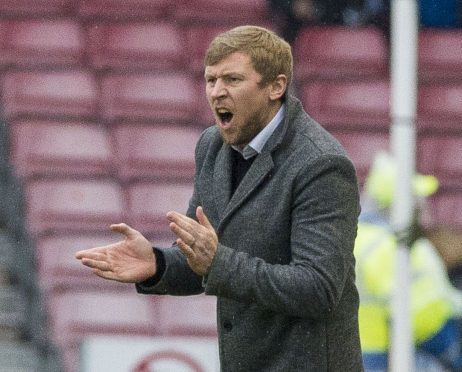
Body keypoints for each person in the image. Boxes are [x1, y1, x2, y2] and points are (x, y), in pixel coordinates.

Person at [76, 25, 363, 371]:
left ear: (276, 86)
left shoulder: (321, 165)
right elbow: (203, 261)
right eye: (211, 80)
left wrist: (216, 263)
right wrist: (158, 265)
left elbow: (318, 289)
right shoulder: (212, 147)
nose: (217, 92)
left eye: (232, 80)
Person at [355, 151, 462, 372]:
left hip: (377, 350)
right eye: (415, 200)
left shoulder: (380, 238)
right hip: (382, 355)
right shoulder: (381, 245)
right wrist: (449, 345)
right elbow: (414, 312)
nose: (421, 208)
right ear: (395, 204)